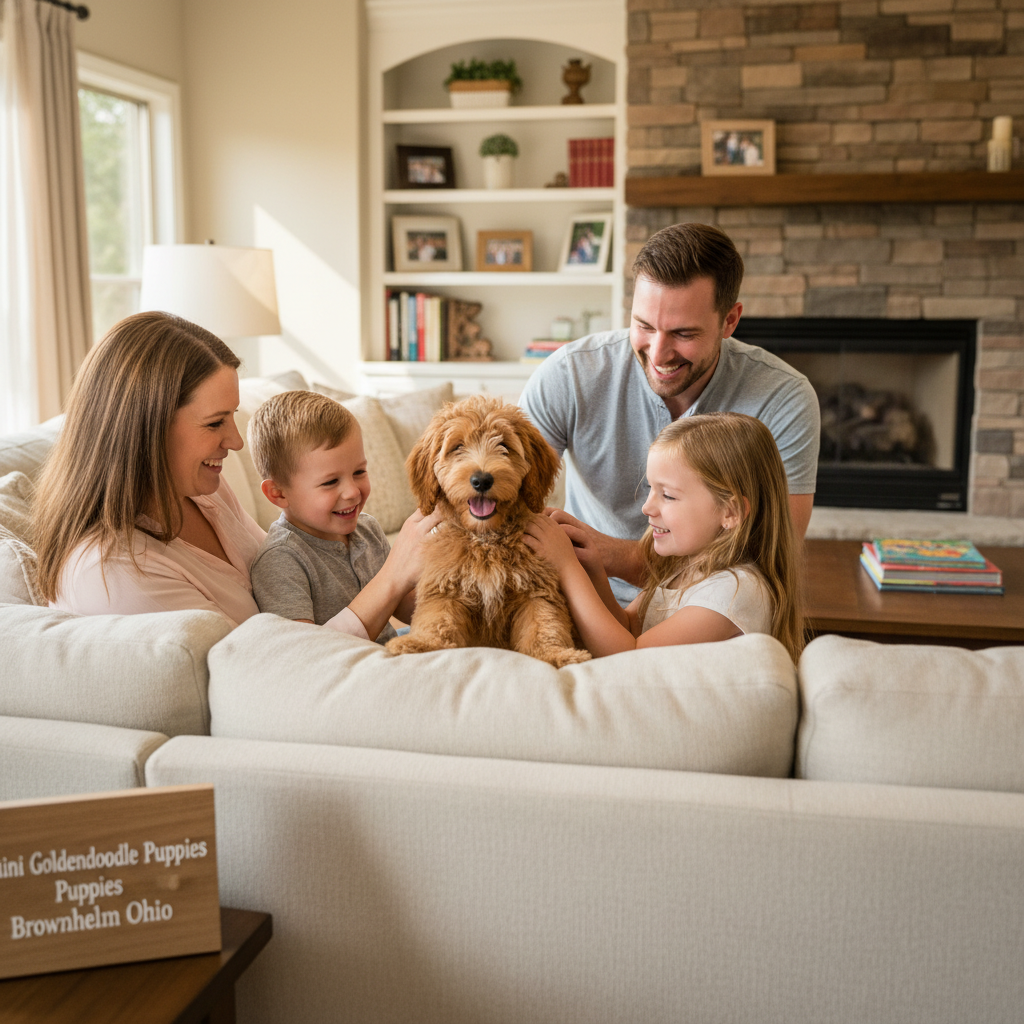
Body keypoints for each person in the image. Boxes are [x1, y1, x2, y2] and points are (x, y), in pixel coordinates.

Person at [519, 221, 819, 606]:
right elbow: (503, 501)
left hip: (712, 607)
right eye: (644, 325)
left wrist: (616, 555)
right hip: (583, 597)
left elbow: (772, 558)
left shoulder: (783, 397)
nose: (658, 354)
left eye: (683, 334)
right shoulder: (569, 375)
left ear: (730, 320)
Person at [35, 311, 267, 625]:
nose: (236, 442)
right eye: (215, 423)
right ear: (145, 428)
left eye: (232, 416)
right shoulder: (113, 571)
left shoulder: (202, 490)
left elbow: (285, 571)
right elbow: (251, 665)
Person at [524, 412, 803, 661]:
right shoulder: (685, 568)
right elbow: (629, 627)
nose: (647, 507)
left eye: (667, 495)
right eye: (650, 489)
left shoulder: (736, 592)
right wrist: (592, 569)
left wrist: (566, 568)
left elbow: (629, 659)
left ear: (730, 511)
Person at [246, 390, 440, 643]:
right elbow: (305, 653)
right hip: (349, 672)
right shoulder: (281, 560)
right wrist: (394, 575)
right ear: (278, 494)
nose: (352, 491)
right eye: (330, 482)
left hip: (386, 653)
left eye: (359, 471)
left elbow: (403, 604)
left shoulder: (367, 528)